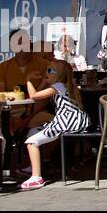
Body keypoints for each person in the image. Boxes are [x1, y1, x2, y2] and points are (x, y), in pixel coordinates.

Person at [18, 62, 90, 191]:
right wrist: (45, 82)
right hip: (74, 120)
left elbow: (35, 96)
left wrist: (28, 80)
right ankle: (35, 164)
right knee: (34, 131)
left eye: (50, 70)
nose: (46, 72)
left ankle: (36, 177)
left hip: (67, 121)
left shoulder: (58, 86)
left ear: (59, 75)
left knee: (31, 142)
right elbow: (40, 93)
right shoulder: (64, 85)